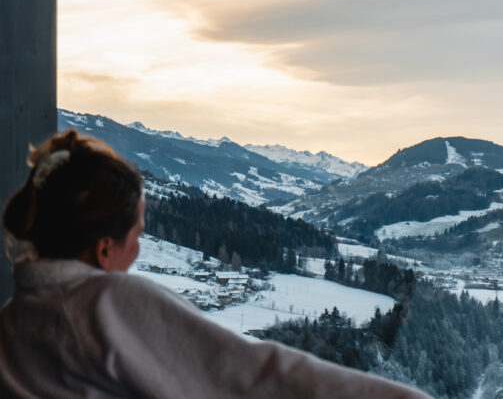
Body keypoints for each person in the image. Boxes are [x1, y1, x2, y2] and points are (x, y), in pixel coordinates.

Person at [0, 131, 429, 398]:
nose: (138, 251)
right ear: (105, 247)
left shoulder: (14, 319)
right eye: (138, 235)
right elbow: (247, 376)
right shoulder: (102, 302)